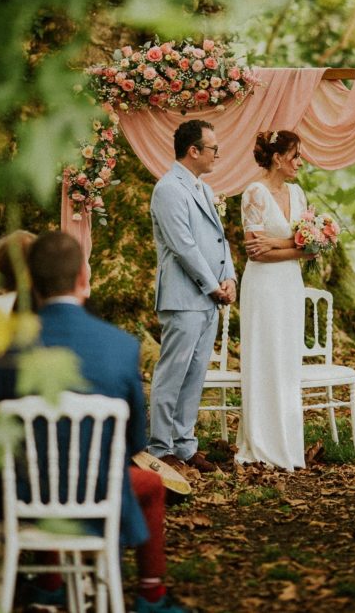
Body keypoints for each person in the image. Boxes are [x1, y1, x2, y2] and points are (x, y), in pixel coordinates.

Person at [0, 231, 187, 613]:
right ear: (83, 277)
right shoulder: (120, 346)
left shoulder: (4, 347)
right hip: (97, 491)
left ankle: (47, 583)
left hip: (21, 492)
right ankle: (151, 595)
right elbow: (134, 443)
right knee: (148, 481)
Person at [147, 119, 236, 473]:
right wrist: (211, 284)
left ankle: (185, 446)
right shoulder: (168, 189)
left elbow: (219, 239)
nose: (218, 154)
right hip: (184, 297)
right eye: (213, 148)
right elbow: (182, 245)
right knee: (173, 374)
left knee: (195, 375)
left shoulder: (201, 187)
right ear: (193, 150)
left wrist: (229, 276)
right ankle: (159, 447)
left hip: (208, 298)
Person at [235, 129, 314, 470]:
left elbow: (311, 247)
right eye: (295, 155)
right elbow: (255, 251)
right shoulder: (254, 193)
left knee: (286, 359)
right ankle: (261, 443)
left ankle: (287, 443)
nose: (300, 161)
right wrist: (294, 247)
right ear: (279, 158)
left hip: (289, 286)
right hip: (264, 286)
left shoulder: (297, 193)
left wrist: (278, 244)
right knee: (264, 357)